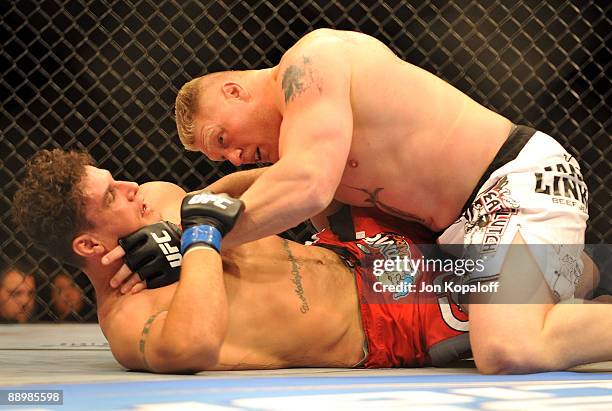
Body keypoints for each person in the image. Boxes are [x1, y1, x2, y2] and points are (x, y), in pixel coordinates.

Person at [163, 28, 598, 373]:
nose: (235, 156)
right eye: (222, 157)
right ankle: (577, 275)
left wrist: (202, 244)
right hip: (460, 230)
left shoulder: (311, 62)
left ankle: (560, 280)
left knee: (507, 348)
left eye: (223, 139)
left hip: (510, 178)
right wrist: (209, 199)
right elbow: (291, 179)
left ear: (233, 91)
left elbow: (306, 184)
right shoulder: (310, 133)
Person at [12, 149, 607, 375]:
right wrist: (197, 241)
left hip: (361, 255)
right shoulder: (130, 325)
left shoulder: (159, 202)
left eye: (114, 176)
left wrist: (189, 219)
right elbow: (193, 343)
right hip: (384, 321)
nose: (128, 184)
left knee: (562, 269)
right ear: (87, 246)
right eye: (110, 194)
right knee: (527, 301)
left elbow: (251, 188)